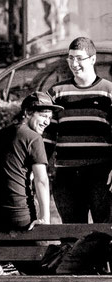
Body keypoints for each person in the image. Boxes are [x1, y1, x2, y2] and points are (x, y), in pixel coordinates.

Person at [46, 37, 112, 223]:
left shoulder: (108, 92)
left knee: (104, 232)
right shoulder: (56, 93)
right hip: (66, 175)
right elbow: (47, 137)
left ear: (92, 59)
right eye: (70, 58)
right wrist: (39, 166)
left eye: (79, 58)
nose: (74, 64)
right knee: (71, 233)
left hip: (100, 174)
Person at [0, 92, 61, 233]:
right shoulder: (33, 138)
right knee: (49, 253)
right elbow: (41, 181)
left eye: (49, 118)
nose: (47, 122)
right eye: (43, 116)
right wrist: (45, 218)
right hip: (20, 217)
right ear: (28, 112)